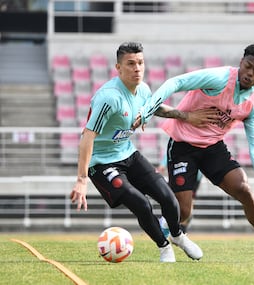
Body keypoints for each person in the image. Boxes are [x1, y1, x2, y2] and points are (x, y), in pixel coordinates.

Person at [134, 44, 254, 262]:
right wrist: (147, 111)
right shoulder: (219, 78)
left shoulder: (253, 104)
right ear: (241, 62)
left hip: (212, 148)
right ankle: (163, 227)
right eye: (248, 66)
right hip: (183, 145)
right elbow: (176, 82)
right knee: (184, 211)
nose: (250, 73)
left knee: (244, 189)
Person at [70, 41, 204, 263]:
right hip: (101, 163)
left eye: (140, 63)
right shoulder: (108, 97)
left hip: (128, 154)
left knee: (169, 198)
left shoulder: (143, 89)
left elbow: (153, 107)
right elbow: (87, 136)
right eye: (130, 64)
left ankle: (178, 236)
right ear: (118, 67)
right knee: (142, 203)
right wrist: (81, 179)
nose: (137, 68)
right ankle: (164, 247)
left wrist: (185, 116)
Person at [157, 152, 203, 234]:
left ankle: (181, 228)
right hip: (182, 172)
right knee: (178, 201)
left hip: (194, 177)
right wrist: (162, 166)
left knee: (188, 203)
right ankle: (173, 225)